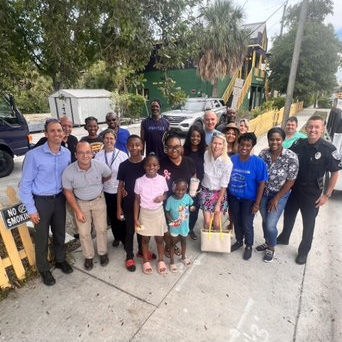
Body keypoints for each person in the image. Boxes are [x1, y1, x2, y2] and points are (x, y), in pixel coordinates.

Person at [277, 115, 342, 265]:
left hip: (312, 194)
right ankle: (284, 237)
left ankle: (303, 252)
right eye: (310, 127)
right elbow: (286, 157)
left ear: (322, 129)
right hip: (294, 189)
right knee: (289, 216)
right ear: (306, 128)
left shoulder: (328, 149)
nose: (313, 130)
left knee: (308, 224)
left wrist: (327, 194)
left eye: (316, 127)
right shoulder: (299, 144)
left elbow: (335, 173)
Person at [19, 118, 73, 286]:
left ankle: (60, 259)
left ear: (63, 133)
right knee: (42, 237)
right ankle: (43, 268)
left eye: (59, 130)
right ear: (46, 133)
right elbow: (25, 184)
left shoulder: (66, 153)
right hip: (41, 201)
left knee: (59, 232)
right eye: (52, 130)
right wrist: (31, 209)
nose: (56, 133)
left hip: (59, 199)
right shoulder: (33, 156)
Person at [62, 141, 112, 271]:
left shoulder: (99, 166)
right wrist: (77, 211)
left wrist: (99, 183)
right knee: (84, 232)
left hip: (98, 201)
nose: (85, 155)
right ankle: (88, 256)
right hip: (81, 203)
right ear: (75, 155)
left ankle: (102, 253)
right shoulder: (69, 171)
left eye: (88, 152)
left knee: (101, 228)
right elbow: (68, 192)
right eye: (81, 152)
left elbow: (108, 175)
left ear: (92, 154)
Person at [256, 127, 299, 263]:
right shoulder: (263, 154)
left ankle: (271, 247)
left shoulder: (291, 157)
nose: (274, 142)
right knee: (264, 220)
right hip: (264, 193)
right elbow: (258, 174)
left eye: (278, 139)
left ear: (283, 140)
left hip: (280, 194)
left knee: (270, 224)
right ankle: (268, 241)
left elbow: (291, 180)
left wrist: (277, 198)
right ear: (268, 140)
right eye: (272, 139)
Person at [117, 135, 156, 272]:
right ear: (127, 146)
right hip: (129, 203)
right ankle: (129, 256)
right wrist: (118, 207)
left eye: (137, 145)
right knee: (130, 231)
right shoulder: (123, 166)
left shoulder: (147, 163)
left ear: (142, 146)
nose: (134, 148)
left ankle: (141, 251)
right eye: (131, 145)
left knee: (142, 230)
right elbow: (120, 186)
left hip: (145, 204)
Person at [228, 133, 268, 260]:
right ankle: (239, 241)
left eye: (248, 145)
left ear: (252, 147)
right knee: (236, 220)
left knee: (247, 222)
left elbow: (262, 184)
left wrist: (257, 204)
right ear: (238, 145)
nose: (244, 147)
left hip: (249, 199)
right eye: (242, 144)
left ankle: (249, 245)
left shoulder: (258, 163)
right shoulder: (232, 159)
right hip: (233, 197)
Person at [159, 131, 196, 257]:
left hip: (182, 205)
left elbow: (194, 178)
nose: (173, 150)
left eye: (176, 146)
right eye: (170, 147)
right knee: (168, 229)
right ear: (166, 148)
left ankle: (172, 245)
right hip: (166, 204)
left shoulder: (189, 161)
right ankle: (169, 247)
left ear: (181, 147)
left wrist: (193, 192)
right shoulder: (161, 163)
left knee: (180, 228)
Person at [134, 154, 169, 275]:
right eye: (148, 165)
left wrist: (162, 198)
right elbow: (137, 200)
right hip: (144, 214)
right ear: (144, 167)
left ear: (158, 166)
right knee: (145, 238)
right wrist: (136, 218)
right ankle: (145, 260)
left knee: (159, 238)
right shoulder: (139, 181)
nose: (151, 167)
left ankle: (161, 260)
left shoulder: (162, 179)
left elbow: (165, 193)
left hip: (158, 213)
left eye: (154, 165)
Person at [94, 129, 128, 248]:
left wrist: (125, 187)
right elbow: (96, 174)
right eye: (106, 138)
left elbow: (126, 175)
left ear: (115, 140)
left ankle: (125, 239)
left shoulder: (122, 155)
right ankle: (116, 237)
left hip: (119, 191)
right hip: (105, 192)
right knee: (112, 217)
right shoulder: (98, 156)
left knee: (122, 217)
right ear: (103, 139)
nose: (109, 141)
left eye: (111, 138)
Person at [199, 133, 232, 232]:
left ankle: (216, 245)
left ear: (223, 145)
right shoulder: (205, 155)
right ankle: (207, 243)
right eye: (214, 143)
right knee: (207, 223)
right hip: (206, 192)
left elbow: (224, 185)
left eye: (220, 144)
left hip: (219, 194)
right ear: (211, 144)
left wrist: (218, 204)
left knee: (217, 224)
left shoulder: (227, 162)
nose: (217, 146)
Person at [165, 179, 195, 272]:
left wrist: (192, 207)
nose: (180, 192)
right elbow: (166, 211)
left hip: (184, 226)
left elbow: (191, 205)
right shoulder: (170, 200)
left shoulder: (187, 197)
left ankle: (183, 257)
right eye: (178, 189)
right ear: (174, 189)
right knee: (172, 244)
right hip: (175, 226)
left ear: (186, 189)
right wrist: (170, 219)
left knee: (184, 242)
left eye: (183, 189)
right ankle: (172, 262)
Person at [183, 124, 206, 240]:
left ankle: (190, 229)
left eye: (198, 136)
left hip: (198, 187)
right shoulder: (184, 151)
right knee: (183, 209)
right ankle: (181, 228)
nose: (195, 138)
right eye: (193, 136)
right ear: (189, 137)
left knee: (194, 210)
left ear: (201, 137)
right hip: (183, 186)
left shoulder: (205, 152)